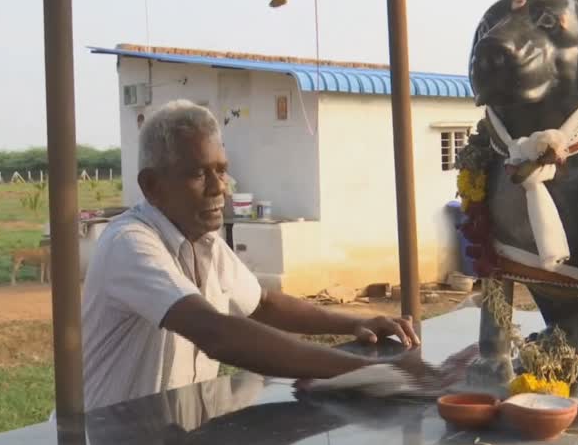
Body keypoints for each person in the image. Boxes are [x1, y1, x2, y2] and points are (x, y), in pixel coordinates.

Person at [80, 99, 422, 410]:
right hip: (113, 444)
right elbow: (216, 333)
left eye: (221, 169)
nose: (219, 187)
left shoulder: (204, 240)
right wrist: (366, 371)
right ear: (152, 186)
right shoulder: (130, 243)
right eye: (199, 174)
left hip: (173, 440)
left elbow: (261, 305)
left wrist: (356, 322)